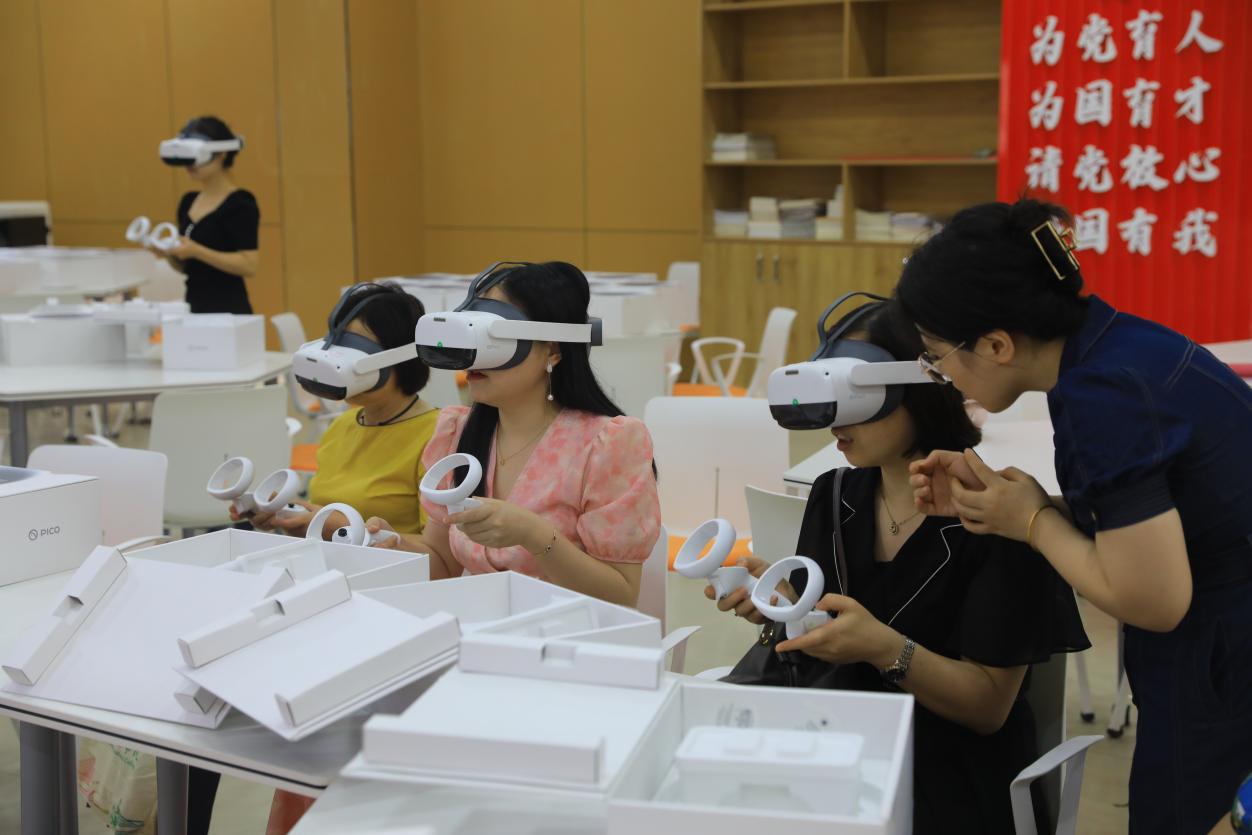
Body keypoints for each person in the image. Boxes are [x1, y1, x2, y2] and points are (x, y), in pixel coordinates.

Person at [898, 198, 1252, 834]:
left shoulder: (1102, 396)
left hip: (1223, 658)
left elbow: (1154, 599)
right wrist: (1021, 507)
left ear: (996, 344)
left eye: (936, 355)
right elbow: (1160, 518)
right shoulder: (1119, 346)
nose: (939, 374)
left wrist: (1033, 523)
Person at [708, 301, 1088, 833]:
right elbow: (823, 631)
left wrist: (885, 647)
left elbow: (987, 708)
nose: (836, 422)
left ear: (924, 385)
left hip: (947, 774)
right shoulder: (834, 493)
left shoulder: (997, 513)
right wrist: (782, 605)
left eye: (855, 397)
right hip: (838, 741)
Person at [373, 261, 660, 607]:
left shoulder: (608, 444)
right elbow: (443, 564)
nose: (473, 359)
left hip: (568, 632)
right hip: (478, 626)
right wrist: (392, 545)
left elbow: (620, 596)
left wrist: (534, 535)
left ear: (552, 349)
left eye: (492, 338)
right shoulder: (458, 433)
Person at [242, 282, 439, 540]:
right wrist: (286, 514)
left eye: (355, 348)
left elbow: (439, 552)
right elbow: (324, 513)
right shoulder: (342, 426)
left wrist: (332, 524)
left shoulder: (438, 438)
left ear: (403, 357)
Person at [159, 116, 259, 313]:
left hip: (229, 311)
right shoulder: (188, 202)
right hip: (193, 308)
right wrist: (169, 253)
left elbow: (249, 265)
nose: (190, 164)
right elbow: (187, 267)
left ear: (221, 154)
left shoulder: (240, 203)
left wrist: (197, 251)